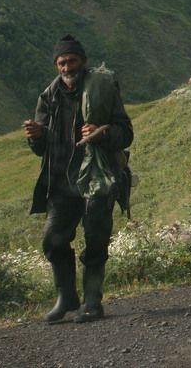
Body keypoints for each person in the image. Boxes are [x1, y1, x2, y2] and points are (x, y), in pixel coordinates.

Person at [23, 35, 133, 323]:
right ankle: (66, 297)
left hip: (96, 179)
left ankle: (93, 302)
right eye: (61, 63)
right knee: (53, 240)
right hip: (61, 183)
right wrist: (36, 136)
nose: (67, 67)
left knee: (96, 239)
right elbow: (40, 149)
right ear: (56, 65)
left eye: (71, 61)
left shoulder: (102, 89)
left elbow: (126, 133)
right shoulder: (49, 97)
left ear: (82, 62)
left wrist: (102, 133)